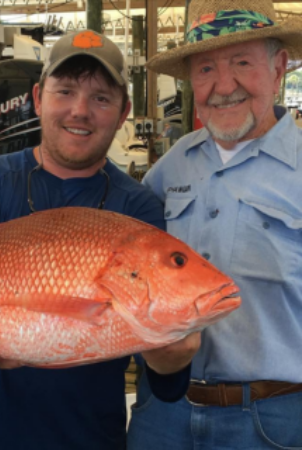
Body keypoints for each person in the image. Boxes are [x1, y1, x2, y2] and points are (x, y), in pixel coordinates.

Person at [0, 30, 200, 450]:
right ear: (38, 98)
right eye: (65, 91)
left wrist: (171, 359)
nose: (80, 111)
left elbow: (166, 387)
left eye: (101, 98)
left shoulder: (139, 211)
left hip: (92, 438)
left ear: (123, 110)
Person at [128, 1, 302, 449]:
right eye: (206, 69)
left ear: (279, 66)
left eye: (242, 62)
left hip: (273, 420)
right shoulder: (170, 167)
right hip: (161, 412)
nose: (224, 86)